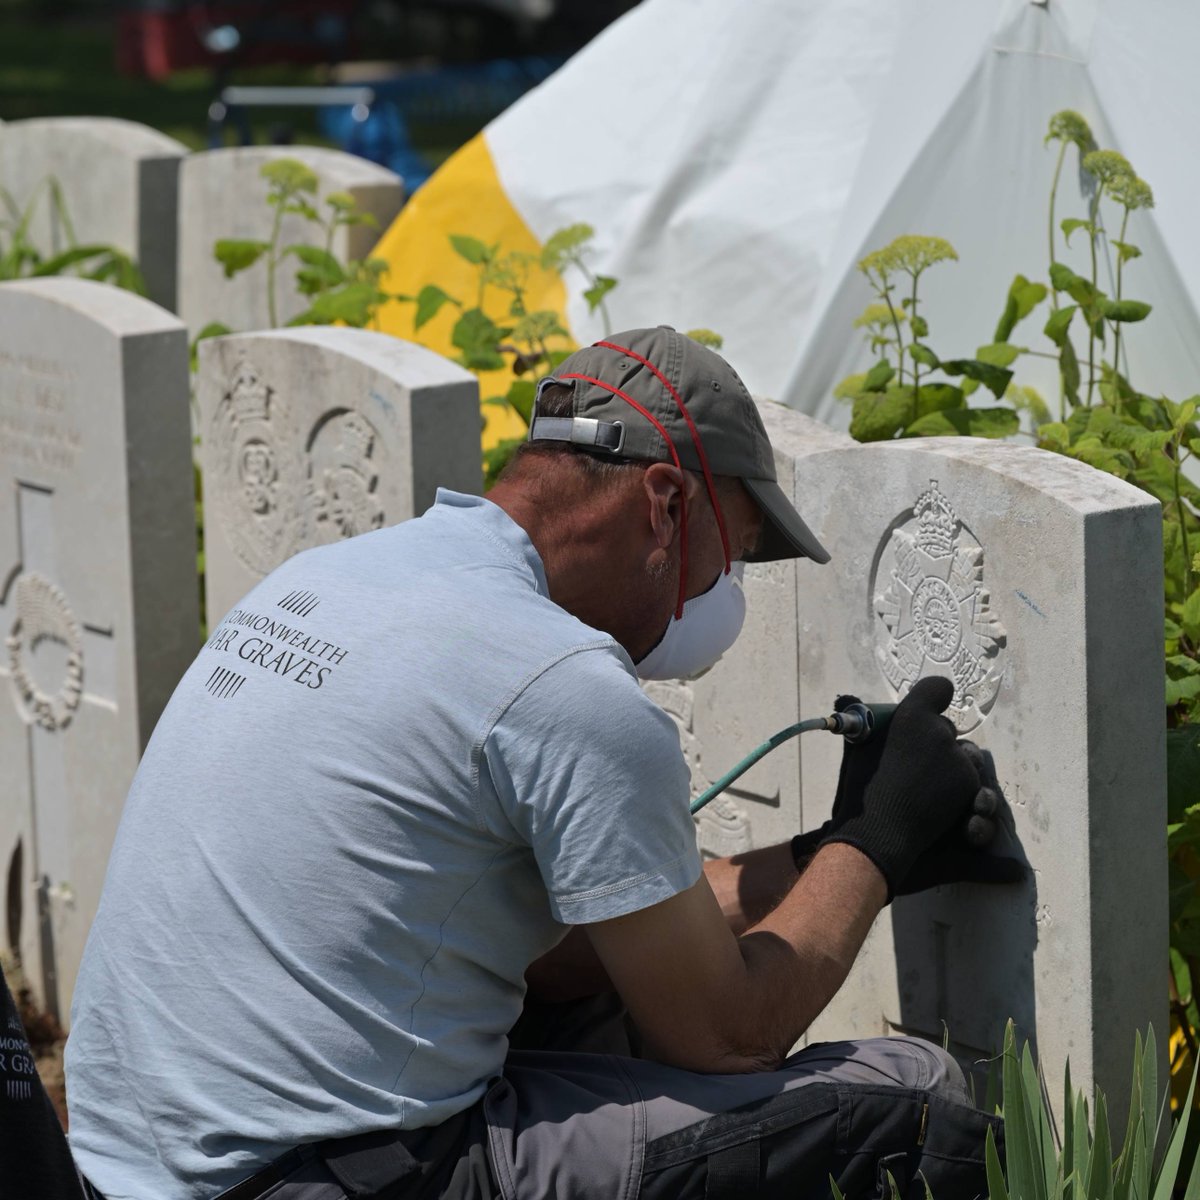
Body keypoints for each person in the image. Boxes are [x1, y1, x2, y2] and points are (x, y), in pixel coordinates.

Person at [65, 327, 1021, 1200]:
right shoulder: (561, 681)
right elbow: (730, 1033)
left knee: (598, 1006)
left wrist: (819, 860)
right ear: (665, 504)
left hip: (138, 1167)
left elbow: (585, 938)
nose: (723, 592)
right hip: (316, 1179)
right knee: (914, 1104)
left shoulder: (334, 577)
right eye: (730, 555)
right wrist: (878, 843)